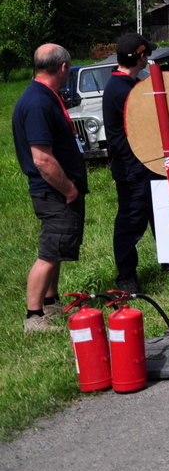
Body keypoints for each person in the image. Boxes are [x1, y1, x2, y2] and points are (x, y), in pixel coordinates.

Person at [12, 44, 88, 332]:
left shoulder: (44, 96)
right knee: (48, 252)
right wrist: (68, 189)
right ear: (64, 68)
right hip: (52, 191)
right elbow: (42, 159)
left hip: (57, 189)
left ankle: (51, 302)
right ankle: (33, 316)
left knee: (57, 249)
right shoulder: (38, 103)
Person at [104, 33, 162, 293]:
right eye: (146, 54)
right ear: (140, 56)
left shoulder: (130, 85)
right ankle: (126, 277)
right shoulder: (122, 90)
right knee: (130, 223)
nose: (147, 58)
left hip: (146, 164)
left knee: (160, 216)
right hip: (132, 169)